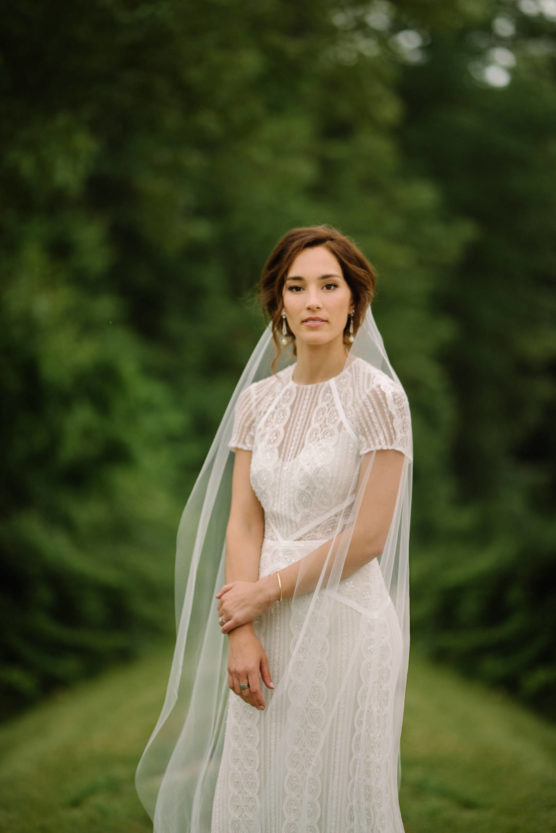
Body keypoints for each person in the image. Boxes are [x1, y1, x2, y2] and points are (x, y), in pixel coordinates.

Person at [136, 225, 413, 833]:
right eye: (296, 286)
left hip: (346, 624)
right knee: (258, 792)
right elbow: (243, 519)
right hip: (264, 631)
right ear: (279, 304)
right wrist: (242, 628)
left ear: (353, 303)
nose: (313, 300)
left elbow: (368, 539)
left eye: (328, 285)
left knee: (337, 795)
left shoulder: (380, 399)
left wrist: (262, 591)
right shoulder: (257, 402)